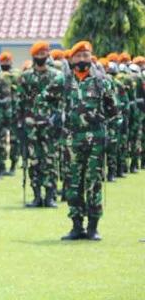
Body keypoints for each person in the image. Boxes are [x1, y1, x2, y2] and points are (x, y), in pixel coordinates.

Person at [42, 42, 117, 240]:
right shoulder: (63, 81)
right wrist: (55, 116)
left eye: (86, 55)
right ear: (71, 59)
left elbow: (114, 110)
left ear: (91, 57)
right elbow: (43, 99)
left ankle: (93, 227)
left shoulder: (102, 81)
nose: (82, 60)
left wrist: (111, 135)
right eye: (78, 56)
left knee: (94, 182)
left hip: (96, 139)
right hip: (72, 139)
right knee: (73, 183)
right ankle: (76, 226)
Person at [17, 42, 61, 207]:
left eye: (44, 53)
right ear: (34, 56)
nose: (42, 56)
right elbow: (20, 102)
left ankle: (50, 196)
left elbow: (61, 100)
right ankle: (36, 196)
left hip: (50, 125)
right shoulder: (26, 77)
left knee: (50, 160)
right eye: (39, 54)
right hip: (31, 126)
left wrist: (59, 119)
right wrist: (19, 124)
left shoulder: (56, 76)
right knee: (34, 160)